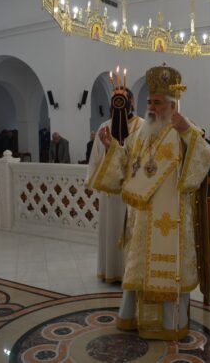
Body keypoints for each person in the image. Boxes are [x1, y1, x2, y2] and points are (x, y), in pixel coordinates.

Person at [90, 65, 210, 340]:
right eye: (149, 102)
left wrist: (187, 133)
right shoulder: (140, 134)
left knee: (167, 273)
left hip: (171, 217)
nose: (151, 107)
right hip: (142, 218)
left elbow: (206, 157)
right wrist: (112, 146)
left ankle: (171, 324)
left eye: (157, 103)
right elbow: (124, 164)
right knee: (139, 271)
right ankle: (134, 319)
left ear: (172, 105)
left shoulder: (185, 129)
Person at [86, 88, 143, 283]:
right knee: (110, 230)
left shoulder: (141, 126)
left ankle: (130, 273)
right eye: (115, 100)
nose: (118, 104)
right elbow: (95, 159)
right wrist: (93, 182)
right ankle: (110, 271)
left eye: (123, 100)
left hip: (132, 191)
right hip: (110, 193)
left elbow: (141, 159)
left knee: (129, 232)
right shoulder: (105, 126)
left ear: (131, 102)